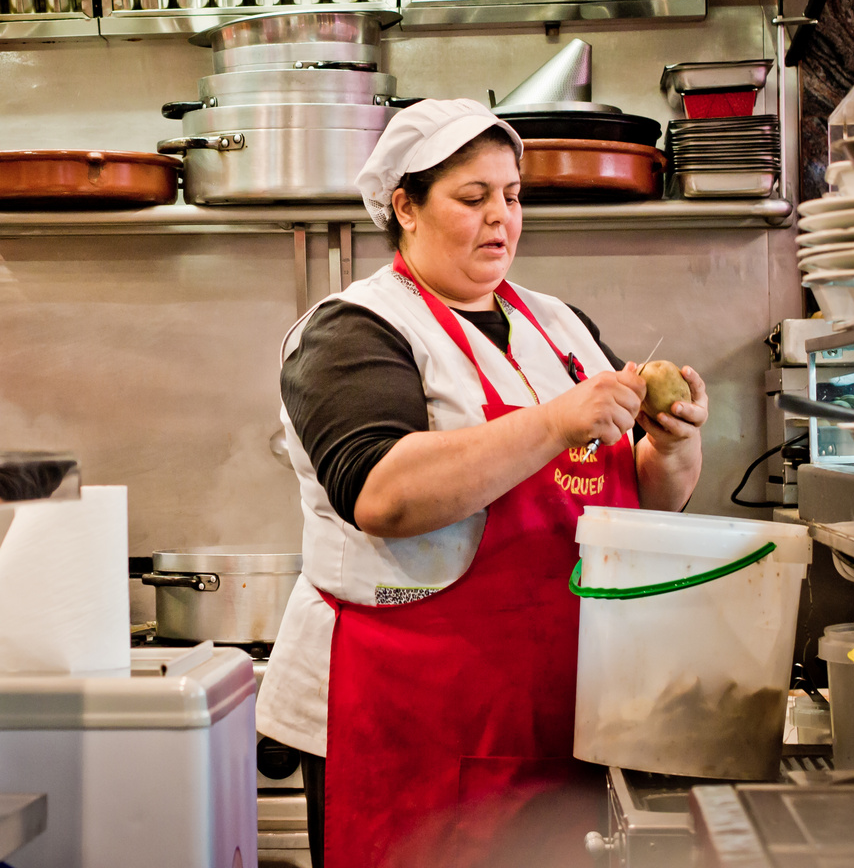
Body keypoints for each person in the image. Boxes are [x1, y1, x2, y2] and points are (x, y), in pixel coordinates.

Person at [255, 98, 708, 868]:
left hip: (558, 711)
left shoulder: (557, 327)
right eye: (473, 198)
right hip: (407, 715)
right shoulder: (353, 330)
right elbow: (384, 496)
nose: (502, 217)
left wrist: (672, 449)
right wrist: (558, 423)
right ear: (405, 207)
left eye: (512, 195)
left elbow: (636, 500)